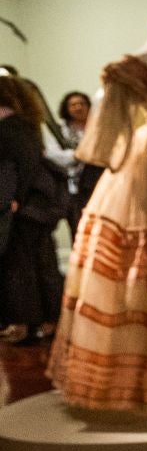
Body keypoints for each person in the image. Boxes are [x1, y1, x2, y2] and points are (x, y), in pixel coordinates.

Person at [0, 75, 65, 345]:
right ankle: (47, 322)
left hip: (22, 208)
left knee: (22, 267)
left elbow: (14, 169)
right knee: (42, 264)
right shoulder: (26, 125)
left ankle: (28, 323)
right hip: (36, 207)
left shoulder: (8, 127)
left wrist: (13, 199)